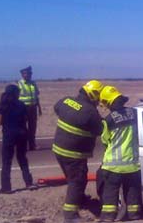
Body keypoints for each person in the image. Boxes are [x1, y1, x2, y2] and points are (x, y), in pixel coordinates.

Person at [53, 80, 104, 223]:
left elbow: (56, 108)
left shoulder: (66, 101)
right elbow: (99, 130)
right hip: (73, 154)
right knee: (77, 180)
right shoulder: (90, 112)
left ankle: (79, 199)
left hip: (58, 149)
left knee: (72, 177)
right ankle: (70, 215)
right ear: (93, 95)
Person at [97, 86, 141, 222]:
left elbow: (105, 140)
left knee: (110, 193)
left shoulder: (108, 120)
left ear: (108, 103)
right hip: (132, 165)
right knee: (132, 191)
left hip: (113, 166)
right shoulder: (135, 113)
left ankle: (108, 217)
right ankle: (134, 215)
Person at [0, 84, 34, 194]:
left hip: (9, 135)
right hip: (22, 134)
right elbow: (26, 119)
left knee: (6, 161)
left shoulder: (2, 105)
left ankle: (6, 187)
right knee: (22, 159)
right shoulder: (22, 105)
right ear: (16, 93)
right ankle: (29, 183)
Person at [17, 66, 42, 151]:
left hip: (33, 108)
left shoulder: (33, 83)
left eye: (29, 73)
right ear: (22, 74)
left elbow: (36, 96)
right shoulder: (19, 84)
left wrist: (39, 108)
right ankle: (22, 146)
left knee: (32, 127)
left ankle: (32, 145)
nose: (28, 75)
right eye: (26, 73)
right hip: (23, 109)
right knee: (22, 128)